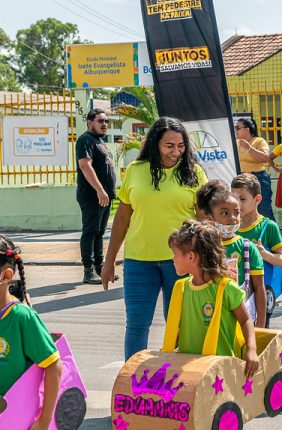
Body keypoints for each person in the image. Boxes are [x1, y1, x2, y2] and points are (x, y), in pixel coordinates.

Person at [101, 117, 207, 360]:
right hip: (139, 260)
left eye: (181, 146)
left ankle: (181, 383)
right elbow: (122, 218)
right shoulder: (136, 171)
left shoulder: (195, 173)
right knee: (137, 324)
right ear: (155, 144)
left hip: (182, 263)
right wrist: (110, 260)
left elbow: (203, 222)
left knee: (180, 326)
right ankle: (133, 384)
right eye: (169, 146)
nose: (176, 152)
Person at [162, 221, 259, 377]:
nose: (173, 259)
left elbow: (245, 320)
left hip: (221, 371)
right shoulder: (181, 288)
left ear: (191, 256)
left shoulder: (226, 288)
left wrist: (252, 350)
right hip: (190, 370)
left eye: (175, 254)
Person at [0, 235, 63, 430]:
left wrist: (43, 421)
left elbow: (53, 366)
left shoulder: (21, 317)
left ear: (6, 276)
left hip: (14, 419)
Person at [196, 180, 267, 328]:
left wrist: (260, 324)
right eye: (224, 213)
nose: (233, 218)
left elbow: (259, 288)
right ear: (210, 217)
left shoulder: (247, 248)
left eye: (237, 212)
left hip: (241, 320)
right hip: (207, 319)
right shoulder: (202, 246)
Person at [232, 173, 282, 327]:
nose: (237, 204)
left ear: (257, 200)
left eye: (242, 199)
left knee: (260, 333)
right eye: (234, 198)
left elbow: (281, 260)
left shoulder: (268, 226)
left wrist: (264, 254)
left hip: (261, 293)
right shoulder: (230, 227)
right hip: (235, 293)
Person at [75, 108, 116, 284]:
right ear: (90, 122)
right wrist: (99, 189)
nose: (104, 124)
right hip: (92, 196)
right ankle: (88, 271)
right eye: (100, 121)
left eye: (106, 121)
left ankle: (100, 268)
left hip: (104, 197)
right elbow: (85, 166)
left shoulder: (99, 141)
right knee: (90, 231)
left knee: (99, 233)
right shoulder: (85, 140)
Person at [235, 118, 274, 220]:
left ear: (247, 130)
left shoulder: (259, 141)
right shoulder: (236, 143)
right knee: (242, 209)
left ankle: (271, 233)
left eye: (238, 128)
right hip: (241, 179)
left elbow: (266, 158)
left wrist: (249, 148)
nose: (236, 130)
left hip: (258, 178)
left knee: (264, 209)